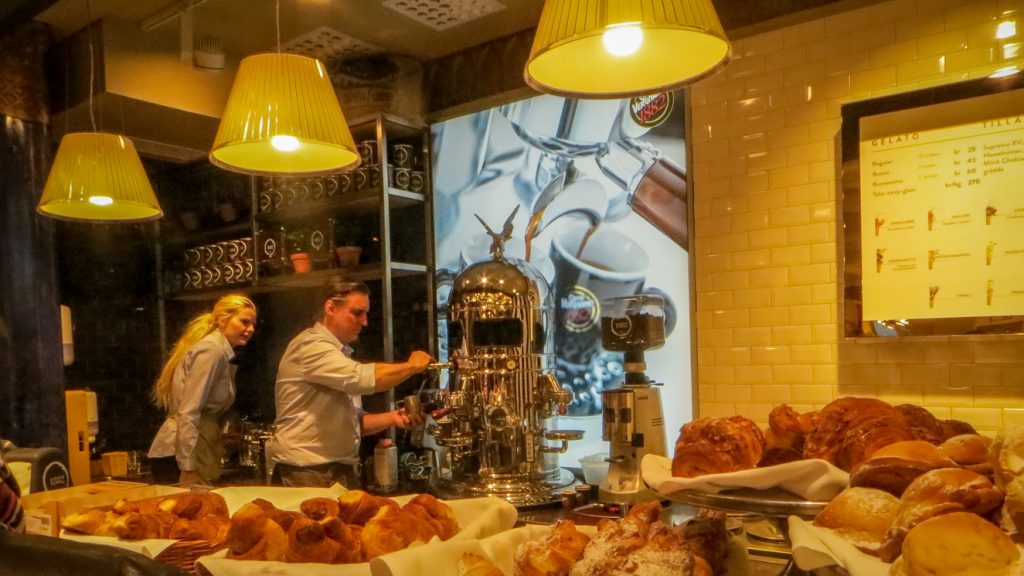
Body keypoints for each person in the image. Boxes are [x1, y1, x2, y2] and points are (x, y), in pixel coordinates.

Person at [272, 277, 432, 488]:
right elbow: (362, 378)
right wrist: (412, 366)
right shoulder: (310, 345)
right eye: (357, 312)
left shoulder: (337, 354)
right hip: (307, 473)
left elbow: (355, 423)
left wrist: (393, 418)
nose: (365, 321)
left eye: (365, 313)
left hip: (336, 471)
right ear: (330, 308)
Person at [148, 294, 257, 486]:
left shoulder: (217, 350)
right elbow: (189, 410)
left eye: (253, 324)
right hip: (182, 454)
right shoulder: (212, 350)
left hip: (186, 449)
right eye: (244, 322)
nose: (250, 329)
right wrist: (187, 466)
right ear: (223, 320)